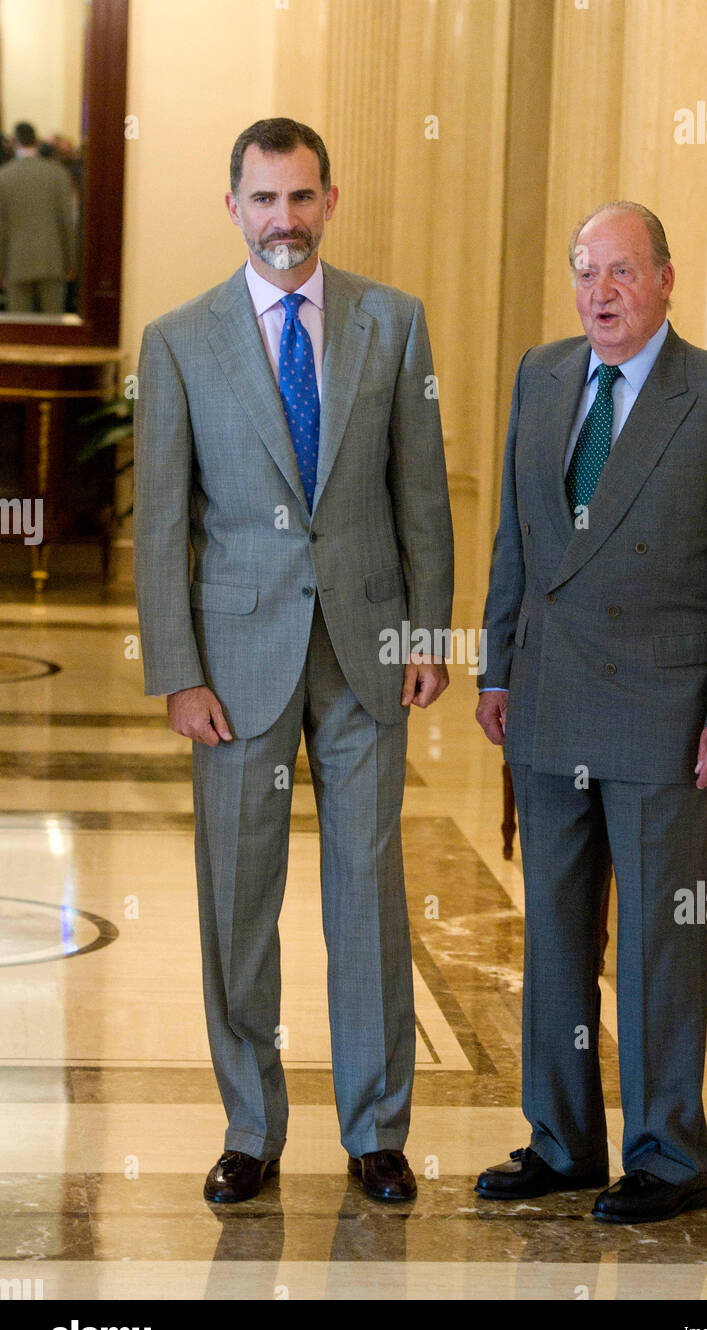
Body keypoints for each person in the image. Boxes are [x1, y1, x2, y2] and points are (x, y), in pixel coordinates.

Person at [134, 118, 453, 1205]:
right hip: (233, 662)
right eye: (264, 200)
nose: (284, 221)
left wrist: (428, 628)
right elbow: (163, 519)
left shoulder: (393, 323)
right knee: (238, 897)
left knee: (366, 891)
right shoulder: (179, 341)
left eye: (302, 198)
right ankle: (250, 1127)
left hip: (366, 651)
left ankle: (375, 1132)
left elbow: (420, 491)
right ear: (233, 207)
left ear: (330, 199)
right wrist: (177, 669)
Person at [474, 201, 707, 1224]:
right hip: (549, 699)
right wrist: (494, 669)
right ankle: (560, 1140)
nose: (597, 292)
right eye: (583, 272)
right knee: (555, 935)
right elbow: (515, 536)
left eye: (618, 272)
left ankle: (666, 1152)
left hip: (665, 715)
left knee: (657, 941)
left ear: (664, 279)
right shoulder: (540, 372)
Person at [0, 122, 75, 313]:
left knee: (19, 330)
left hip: (16, 261)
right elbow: (67, 222)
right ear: (37, 141)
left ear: (15, 142)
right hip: (52, 259)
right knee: (53, 329)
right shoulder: (57, 174)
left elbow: (2, 227)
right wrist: (71, 261)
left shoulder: (4, 177)